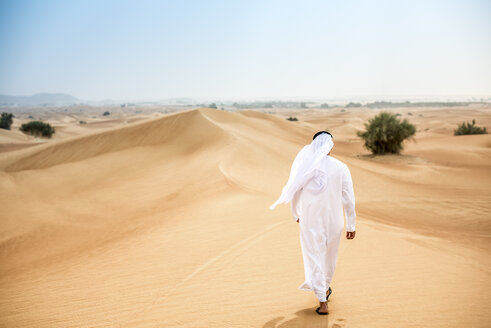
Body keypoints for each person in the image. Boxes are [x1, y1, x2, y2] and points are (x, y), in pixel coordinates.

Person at [270, 131, 356, 315]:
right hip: (335, 221)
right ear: (330, 146)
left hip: (310, 220)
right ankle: (324, 288)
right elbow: (349, 198)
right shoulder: (342, 167)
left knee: (314, 257)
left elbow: (295, 192)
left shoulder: (306, 167)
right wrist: (351, 224)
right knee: (330, 257)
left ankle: (323, 301)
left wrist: (296, 214)